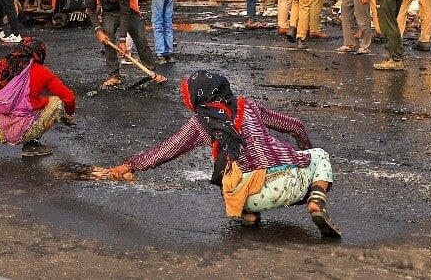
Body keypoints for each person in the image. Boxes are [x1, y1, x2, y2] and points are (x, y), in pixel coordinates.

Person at [106, 71, 341, 239]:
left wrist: (129, 166)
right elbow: (295, 126)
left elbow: (168, 149)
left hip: (249, 196)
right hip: (292, 184)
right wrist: (301, 158)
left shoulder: (200, 122)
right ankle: (316, 199)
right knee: (319, 155)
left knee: (230, 166)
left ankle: (249, 215)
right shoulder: (249, 105)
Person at [0, 37, 76, 157]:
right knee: (56, 102)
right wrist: (69, 116)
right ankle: (31, 144)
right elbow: (69, 97)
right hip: (23, 131)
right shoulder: (42, 71)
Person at [89, 0, 167, 86]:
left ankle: (151, 71)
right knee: (107, 38)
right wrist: (98, 31)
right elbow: (90, 9)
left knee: (140, 38)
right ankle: (114, 76)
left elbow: (124, 14)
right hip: (109, 11)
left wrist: (122, 40)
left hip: (128, 11)